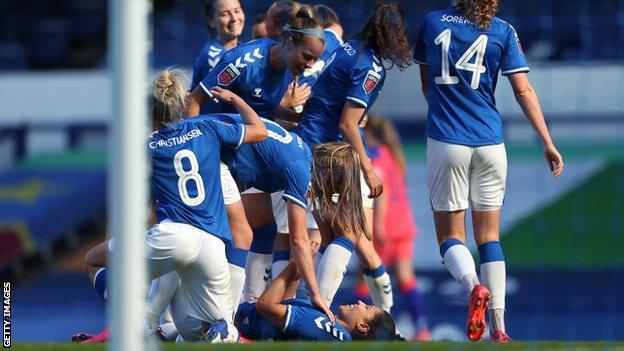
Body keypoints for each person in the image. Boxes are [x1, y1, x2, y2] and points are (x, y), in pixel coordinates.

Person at [413, 0, 564, 342]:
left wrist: (444, 111)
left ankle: (473, 287)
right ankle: (500, 330)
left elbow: (427, 83)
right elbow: (523, 89)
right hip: (491, 143)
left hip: (446, 140)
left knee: (450, 236)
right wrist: (547, 141)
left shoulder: (432, 23)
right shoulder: (503, 30)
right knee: (490, 237)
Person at [81, 69, 268, 343]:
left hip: (172, 236)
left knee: (93, 260)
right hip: (212, 245)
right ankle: (222, 331)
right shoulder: (207, 128)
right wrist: (235, 99)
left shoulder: (146, 148)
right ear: (181, 106)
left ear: (150, 111)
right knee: (210, 329)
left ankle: (133, 323)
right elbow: (260, 131)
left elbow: (141, 209)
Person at [292, 0, 413, 313]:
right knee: (350, 235)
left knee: (329, 235)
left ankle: (317, 308)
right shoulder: (370, 68)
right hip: (329, 151)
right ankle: (321, 312)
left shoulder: (344, 47)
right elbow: (348, 122)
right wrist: (368, 168)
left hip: (307, 143)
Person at [235, 159, 399, 342]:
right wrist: (296, 272)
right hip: (245, 316)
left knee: (258, 233)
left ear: (362, 326)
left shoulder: (324, 325)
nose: (361, 302)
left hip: (239, 320)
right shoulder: (330, 327)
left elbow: (266, 306)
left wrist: (293, 266)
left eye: (367, 308)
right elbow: (281, 308)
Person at [359, 115, 430, 340]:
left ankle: (364, 329)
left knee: (367, 279)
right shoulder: (393, 155)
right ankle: (422, 328)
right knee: (406, 278)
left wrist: (377, 225)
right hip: (404, 224)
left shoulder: (376, 157)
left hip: (386, 227)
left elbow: (383, 193)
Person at [187, 7, 324, 120]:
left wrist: (298, 117)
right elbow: (194, 100)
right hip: (217, 138)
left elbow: (264, 107)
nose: (310, 65)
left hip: (247, 138)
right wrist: (192, 144)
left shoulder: (290, 66)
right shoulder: (241, 61)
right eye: (307, 57)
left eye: (315, 59)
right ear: (289, 43)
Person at [191, 0, 245, 92]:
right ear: (211, 22)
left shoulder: (244, 48)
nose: (234, 18)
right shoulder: (213, 56)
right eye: (224, 14)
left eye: (237, 11)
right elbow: (218, 101)